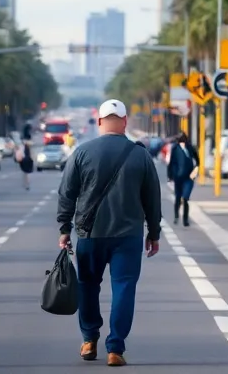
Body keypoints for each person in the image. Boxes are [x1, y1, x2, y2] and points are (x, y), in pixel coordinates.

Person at [56, 99, 162, 367]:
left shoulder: (82, 152)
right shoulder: (140, 155)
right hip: (128, 237)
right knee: (124, 288)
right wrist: (154, 233)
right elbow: (152, 198)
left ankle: (89, 340)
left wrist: (64, 229)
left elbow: (67, 194)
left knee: (87, 286)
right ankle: (115, 348)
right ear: (125, 121)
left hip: (89, 235)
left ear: (100, 121)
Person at [166, 132, 200, 227]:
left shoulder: (191, 148)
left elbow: (197, 161)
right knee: (178, 197)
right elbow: (171, 163)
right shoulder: (175, 149)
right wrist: (170, 175)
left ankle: (185, 219)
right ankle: (176, 215)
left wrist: (194, 173)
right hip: (178, 178)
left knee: (185, 198)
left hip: (188, 178)